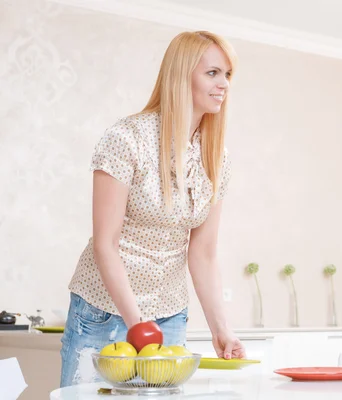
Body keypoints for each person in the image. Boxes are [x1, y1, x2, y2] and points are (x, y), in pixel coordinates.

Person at [60, 31, 245, 387]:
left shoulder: (216, 157)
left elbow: (203, 254)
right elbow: (105, 243)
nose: (223, 84)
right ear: (182, 74)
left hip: (169, 315)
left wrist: (221, 329)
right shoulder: (127, 138)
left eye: (228, 75)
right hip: (103, 311)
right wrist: (138, 324)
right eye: (212, 73)